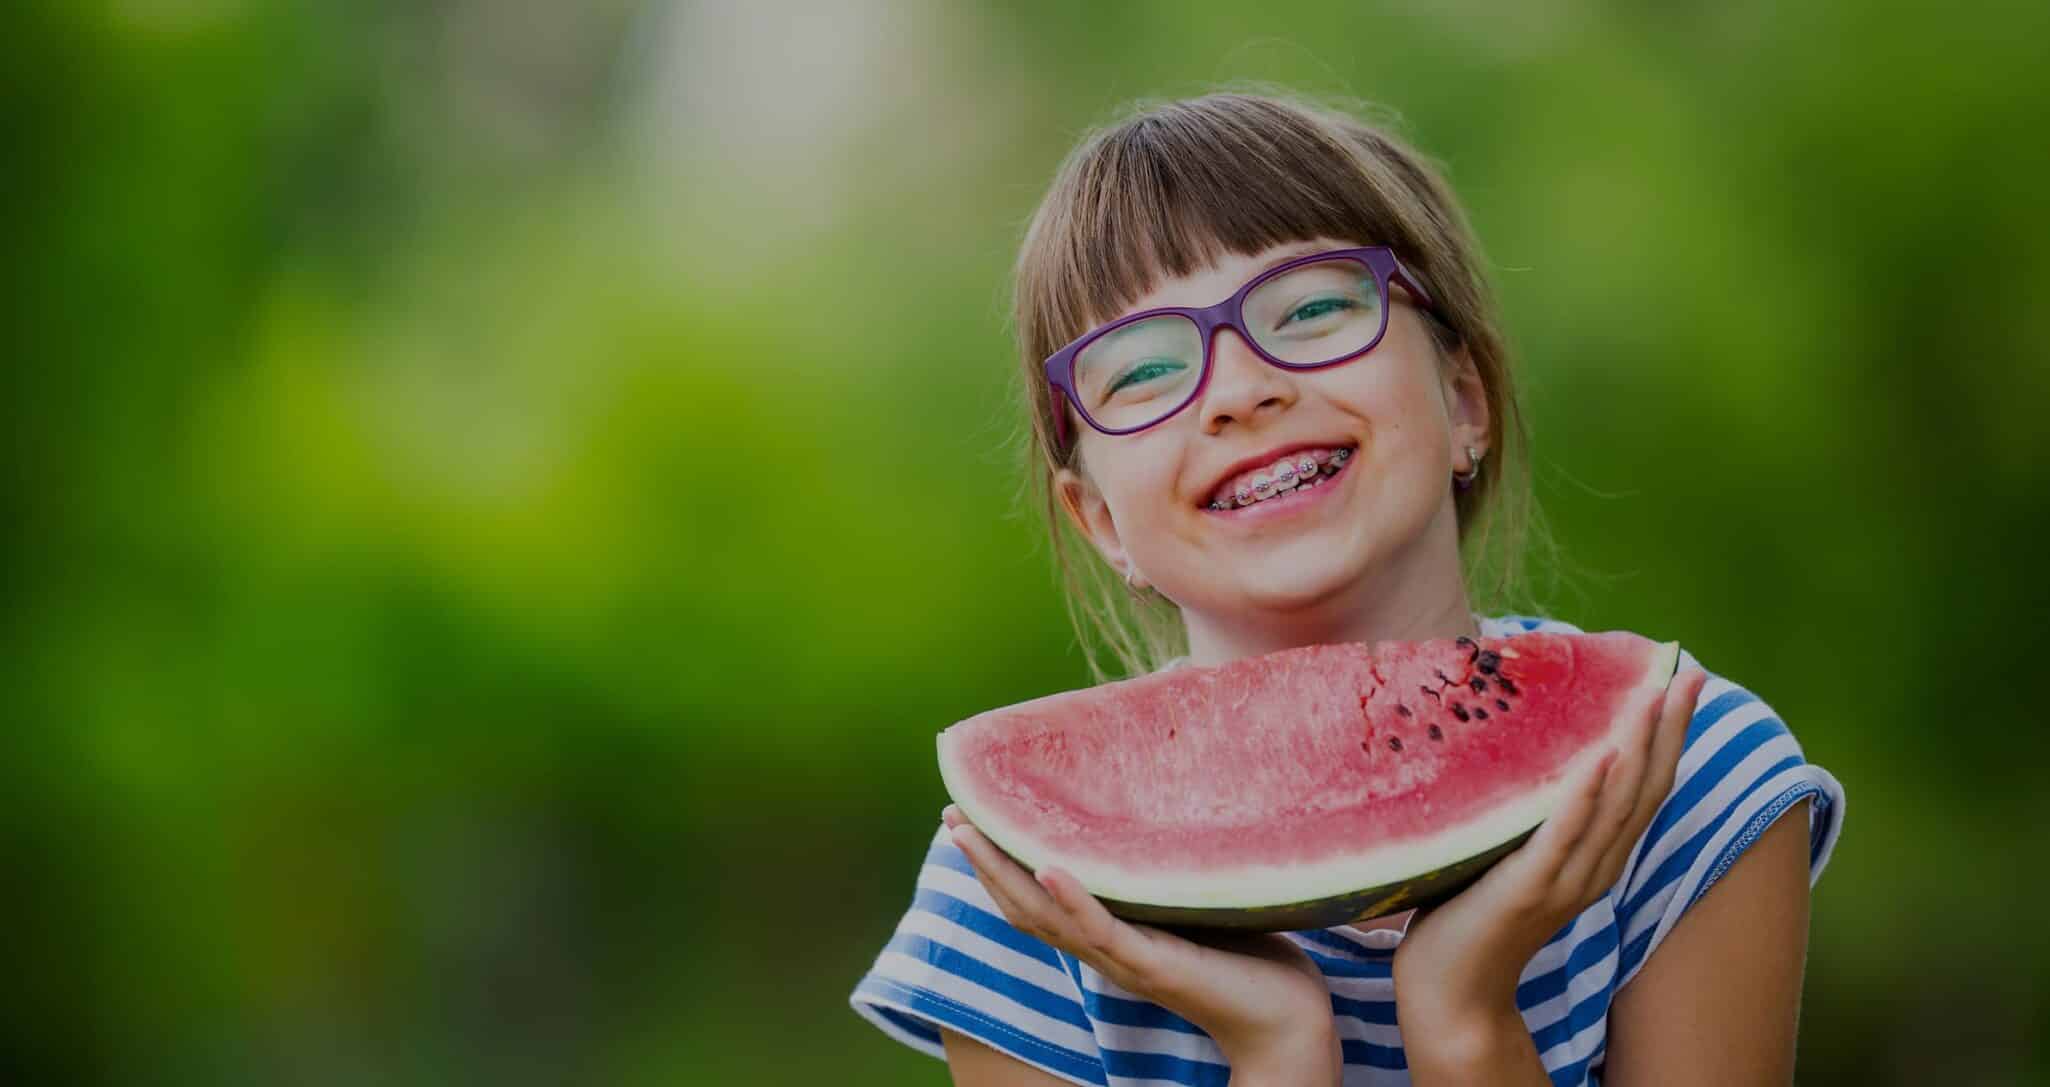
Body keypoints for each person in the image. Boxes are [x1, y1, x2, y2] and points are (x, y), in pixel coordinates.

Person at [849, 91, 1845, 1086]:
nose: (1241, 392)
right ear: (1103, 522)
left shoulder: (1685, 777)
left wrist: (1464, 1021)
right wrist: (1278, 1053)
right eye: (1144, 369)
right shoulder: (1022, 890)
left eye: (1316, 308)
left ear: (1464, 403)